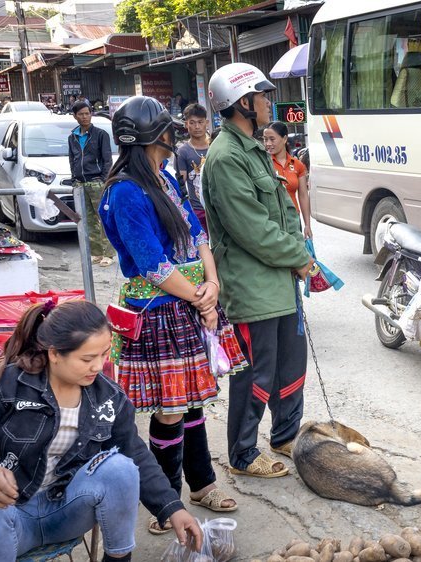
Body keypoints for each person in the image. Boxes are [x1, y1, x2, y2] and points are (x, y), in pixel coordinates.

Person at [0, 300, 205, 561]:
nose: (98, 366)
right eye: (87, 358)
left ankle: (119, 558)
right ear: (54, 353)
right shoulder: (1, 386)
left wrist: (172, 508)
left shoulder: (109, 397)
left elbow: (135, 452)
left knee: (121, 468)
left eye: (104, 354)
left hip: (66, 510)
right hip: (9, 517)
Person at [99, 95, 248, 534]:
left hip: (187, 303)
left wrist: (212, 285)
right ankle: (167, 502)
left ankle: (201, 485)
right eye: (168, 130)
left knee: (192, 403)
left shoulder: (163, 178)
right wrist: (201, 298)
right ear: (157, 135)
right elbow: (151, 264)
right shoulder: (125, 191)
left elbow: (198, 235)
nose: (174, 135)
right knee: (169, 409)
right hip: (160, 311)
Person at [203, 63, 314, 478]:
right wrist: (299, 256)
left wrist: (298, 255)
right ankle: (243, 453)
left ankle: (285, 434)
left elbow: (281, 212)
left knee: (290, 365)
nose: (269, 102)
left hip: (279, 281)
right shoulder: (226, 157)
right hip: (253, 288)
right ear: (243, 103)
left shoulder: (253, 148)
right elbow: (252, 228)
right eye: (263, 96)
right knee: (255, 374)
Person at [68, 100, 116, 266]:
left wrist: (103, 179)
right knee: (88, 220)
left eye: (87, 113)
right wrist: (74, 178)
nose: (85, 117)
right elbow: (72, 159)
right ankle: (96, 253)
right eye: (81, 114)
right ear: (75, 116)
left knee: (104, 217)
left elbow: (107, 160)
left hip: (97, 182)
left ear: (91, 114)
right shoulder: (72, 137)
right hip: (80, 184)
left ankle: (109, 254)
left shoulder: (101, 134)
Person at [262, 121, 312, 238]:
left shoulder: (298, 165)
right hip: (272, 222)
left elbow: (303, 196)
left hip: (293, 220)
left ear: (284, 139)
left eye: (272, 139)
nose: (268, 143)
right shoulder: (263, 164)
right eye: (265, 139)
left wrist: (307, 225)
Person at [175, 103, 210, 232]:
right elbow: (181, 183)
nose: (197, 127)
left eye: (200, 122)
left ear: (206, 122)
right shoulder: (182, 152)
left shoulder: (215, 146)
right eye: (192, 123)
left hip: (218, 207)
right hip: (197, 210)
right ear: (186, 124)